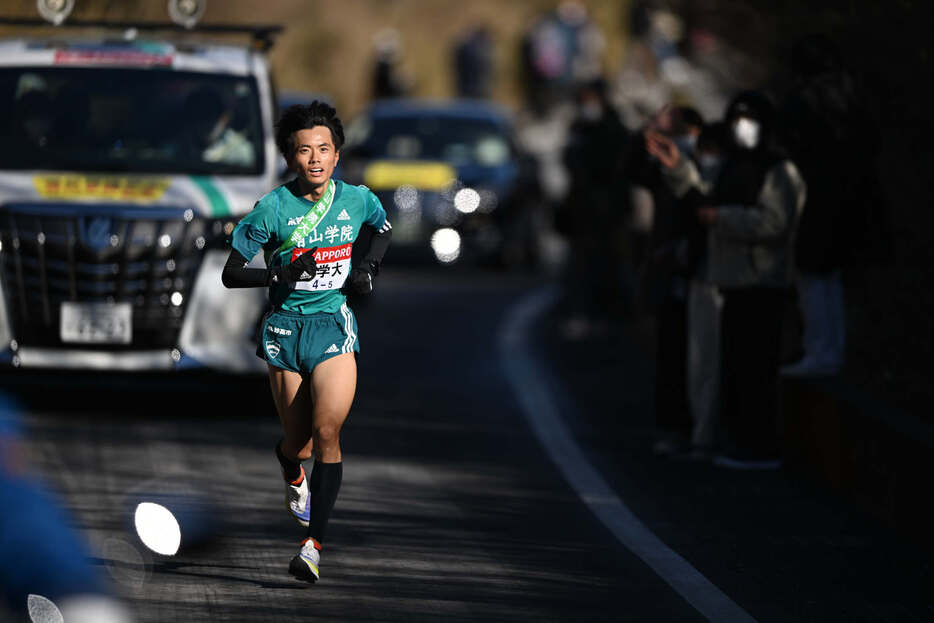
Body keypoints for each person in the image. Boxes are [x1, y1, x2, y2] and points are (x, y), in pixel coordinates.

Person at [221, 101, 392, 583]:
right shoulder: (272, 208)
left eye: (323, 149)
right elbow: (231, 273)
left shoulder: (357, 199)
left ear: (337, 154)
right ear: (291, 158)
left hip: (333, 329)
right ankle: (291, 471)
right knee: (297, 444)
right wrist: (278, 270)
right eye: (303, 150)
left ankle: (312, 547)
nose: (314, 159)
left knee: (328, 433)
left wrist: (366, 270)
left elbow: (382, 230)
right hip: (284, 331)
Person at [647, 91, 806, 468]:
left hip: (763, 282)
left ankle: (759, 446)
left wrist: (724, 218)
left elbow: (775, 222)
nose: (743, 128)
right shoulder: (736, 166)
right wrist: (678, 169)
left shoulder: (779, 169)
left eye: (750, 119)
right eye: (737, 119)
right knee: (733, 369)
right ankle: (738, 441)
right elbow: (705, 197)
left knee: (757, 370)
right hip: (732, 281)